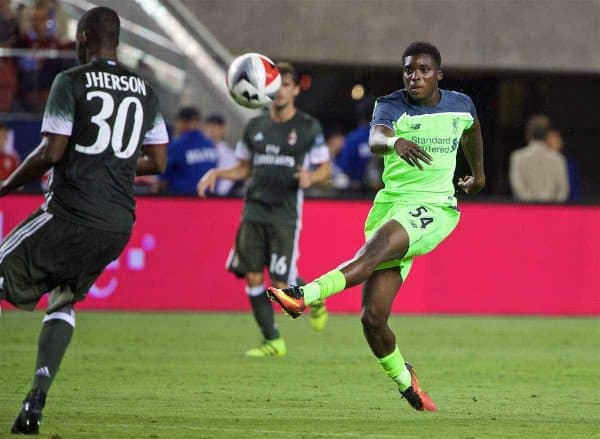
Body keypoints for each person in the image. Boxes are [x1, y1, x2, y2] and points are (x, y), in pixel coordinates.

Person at [267, 42, 485, 411]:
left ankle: (303, 296)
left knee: (370, 254)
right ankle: (406, 381)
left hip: (434, 208)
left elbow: (472, 131)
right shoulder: (391, 104)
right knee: (372, 318)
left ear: (439, 75)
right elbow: (375, 137)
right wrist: (395, 140)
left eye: (423, 70)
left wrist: (477, 175)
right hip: (390, 205)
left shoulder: (460, 104)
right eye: (409, 70)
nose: (415, 76)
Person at [0, 7, 168, 434]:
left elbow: (51, 153)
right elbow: (158, 160)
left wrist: (6, 186)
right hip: (116, 223)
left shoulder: (69, 81)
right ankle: (36, 398)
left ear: (84, 36)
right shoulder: (145, 89)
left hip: (70, 211)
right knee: (64, 298)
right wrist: (113, 161)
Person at [198, 62, 331, 357]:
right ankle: (273, 339)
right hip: (254, 210)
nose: (280, 91)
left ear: (296, 89)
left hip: (285, 214)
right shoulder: (255, 126)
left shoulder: (308, 127)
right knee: (253, 275)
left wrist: (312, 177)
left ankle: (316, 297)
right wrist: (218, 174)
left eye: (286, 84)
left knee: (282, 285)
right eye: (275, 84)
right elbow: (244, 168)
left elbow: (325, 169)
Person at [158, 106, 217, 195]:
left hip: (182, 199)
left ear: (184, 122)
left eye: (178, 122)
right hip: (208, 199)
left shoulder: (179, 144)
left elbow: (164, 172)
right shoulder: (210, 144)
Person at [509, 115, 569, 202]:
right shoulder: (558, 159)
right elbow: (563, 191)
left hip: (527, 211)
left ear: (528, 133)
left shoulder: (517, 157)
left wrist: (532, 206)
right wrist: (551, 207)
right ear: (547, 135)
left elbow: (518, 187)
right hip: (551, 212)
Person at [335, 97, 374, 189]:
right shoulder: (389, 137)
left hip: (355, 195)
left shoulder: (353, 139)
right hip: (383, 192)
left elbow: (343, 170)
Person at [204, 113, 238, 196]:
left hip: (218, 197)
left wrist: (218, 195)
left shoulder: (229, 154)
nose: (212, 131)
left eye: (216, 128)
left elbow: (229, 179)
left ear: (222, 129)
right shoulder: (198, 149)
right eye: (210, 127)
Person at [545, 128, 581, 202]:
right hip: (540, 206)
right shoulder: (540, 164)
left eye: (555, 139)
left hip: (565, 207)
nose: (552, 142)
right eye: (549, 140)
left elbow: (575, 192)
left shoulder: (569, 166)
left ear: (561, 143)